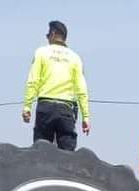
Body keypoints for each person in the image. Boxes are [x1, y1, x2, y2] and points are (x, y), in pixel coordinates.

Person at [22, 20, 91, 151]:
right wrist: (86, 117)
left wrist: (27, 107)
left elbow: (33, 81)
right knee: (67, 155)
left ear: (53, 34)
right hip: (66, 111)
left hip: (45, 108)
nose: (47, 37)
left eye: (48, 34)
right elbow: (82, 90)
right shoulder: (75, 58)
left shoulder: (41, 53)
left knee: (41, 153)